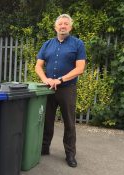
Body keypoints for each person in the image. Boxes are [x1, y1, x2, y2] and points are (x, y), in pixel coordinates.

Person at [35, 14, 86, 167]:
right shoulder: (47, 44)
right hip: (49, 88)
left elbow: (80, 68)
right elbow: (38, 66)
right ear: (55, 27)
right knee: (47, 120)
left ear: (70, 27)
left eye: (66, 24)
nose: (63, 26)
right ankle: (44, 148)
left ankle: (70, 155)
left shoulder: (78, 44)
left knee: (69, 123)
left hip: (67, 89)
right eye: (60, 24)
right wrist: (46, 80)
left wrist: (61, 79)